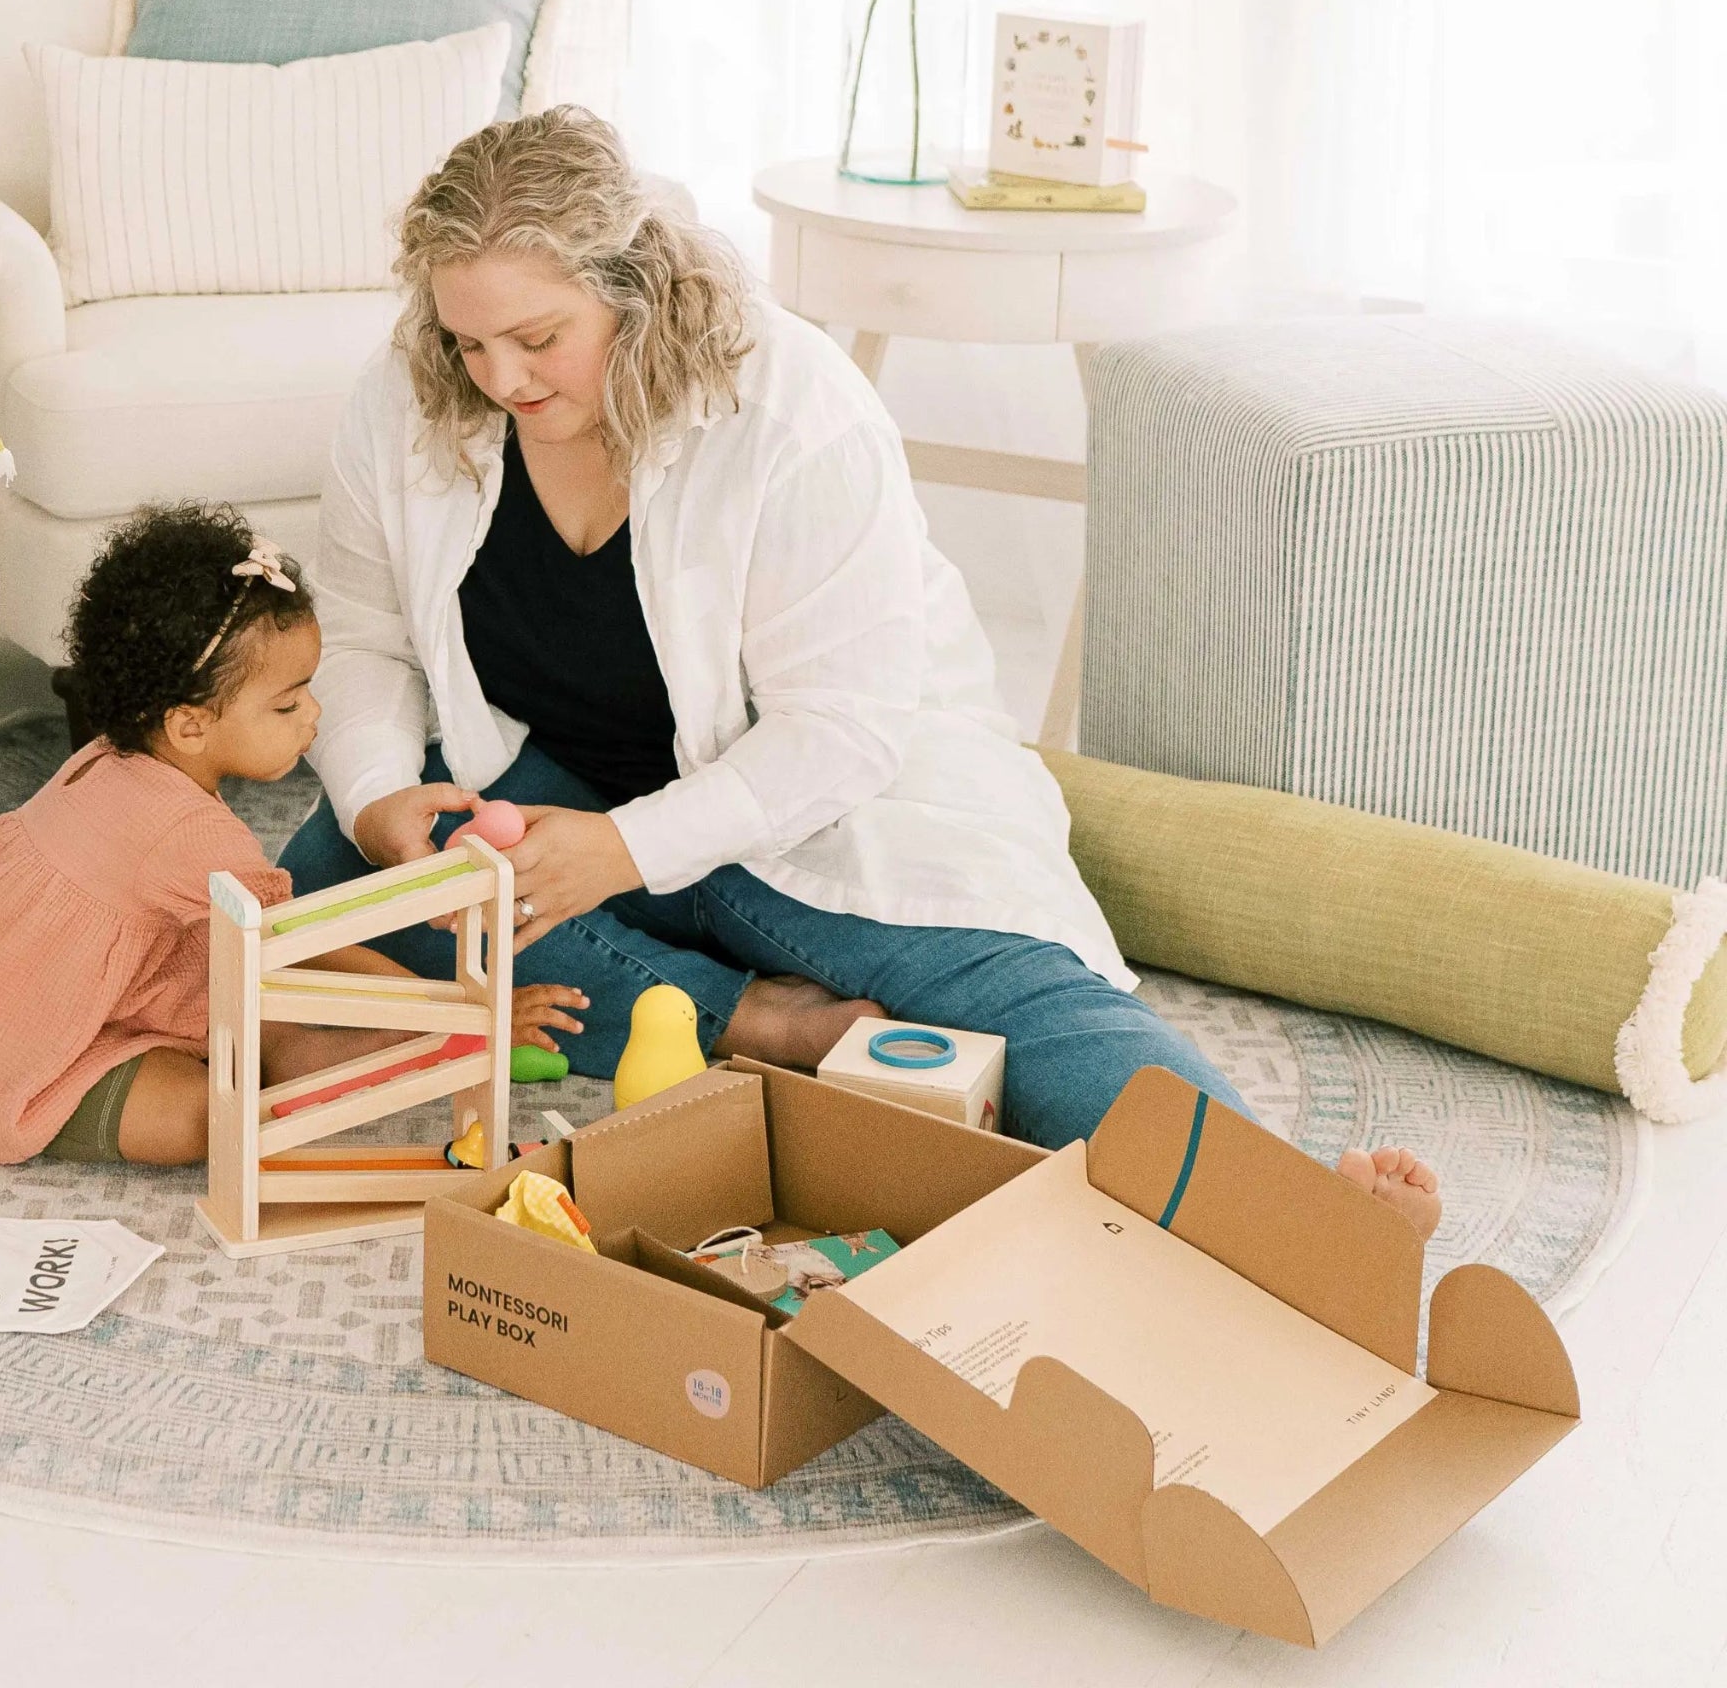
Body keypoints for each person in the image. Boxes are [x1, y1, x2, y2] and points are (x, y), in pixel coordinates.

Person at [281, 109, 1442, 1239]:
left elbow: (839, 731)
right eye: (466, 341)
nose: (499, 378)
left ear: (631, 288)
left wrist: (623, 853)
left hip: (805, 814)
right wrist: (383, 797)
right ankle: (754, 1016)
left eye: (538, 338)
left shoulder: (790, 401)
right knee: (318, 884)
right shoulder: (405, 398)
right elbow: (369, 635)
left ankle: (1297, 1213)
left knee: (1012, 1002)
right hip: (552, 788)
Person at [0, 502, 588, 1167]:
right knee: (209, 1116)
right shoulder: (189, 832)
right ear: (189, 726)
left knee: (234, 976)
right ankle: (340, 1057)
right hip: (20, 1062)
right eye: (287, 704)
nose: (314, 714)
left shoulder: (108, 756)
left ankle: (313, 1052)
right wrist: (455, 1007)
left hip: (36, 990)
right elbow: (303, 941)